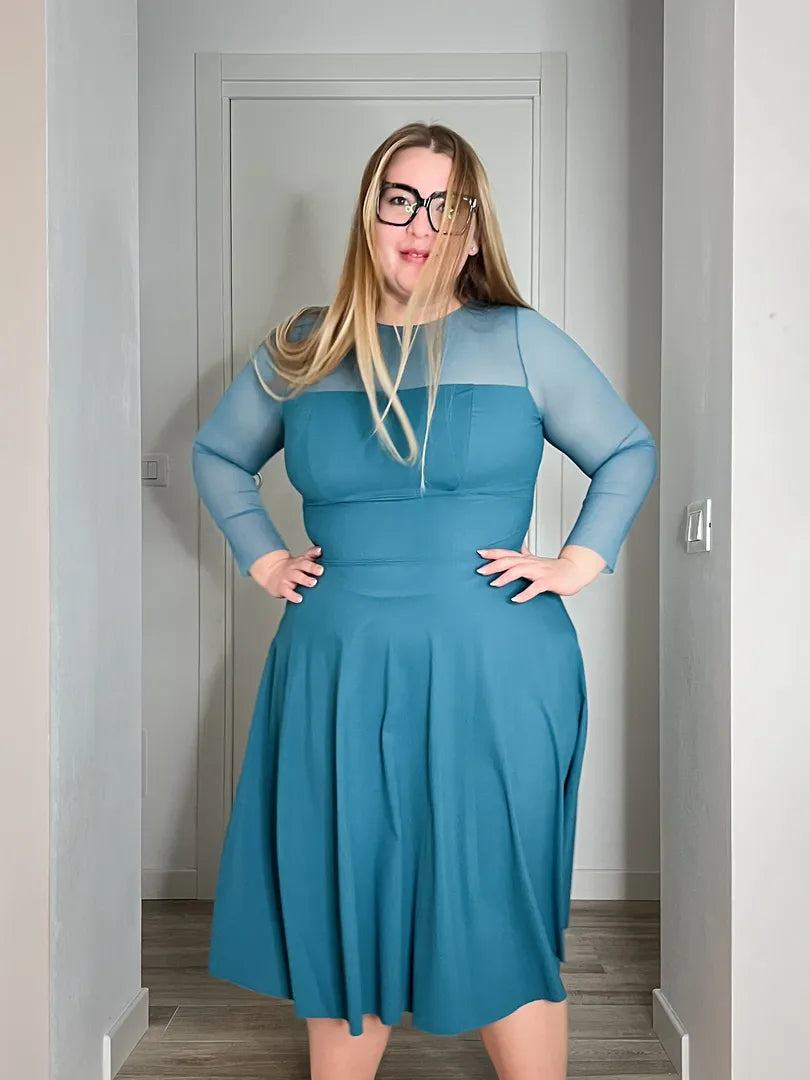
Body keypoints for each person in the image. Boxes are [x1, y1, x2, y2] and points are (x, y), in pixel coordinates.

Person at [192, 121, 657, 1080]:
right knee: (345, 890)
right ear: (370, 214)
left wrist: (580, 561)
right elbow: (216, 455)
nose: (421, 225)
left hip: (498, 665)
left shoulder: (520, 339)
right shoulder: (302, 347)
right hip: (335, 667)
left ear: (474, 231)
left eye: (448, 207)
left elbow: (626, 450)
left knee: (494, 891)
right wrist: (264, 559)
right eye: (400, 200)